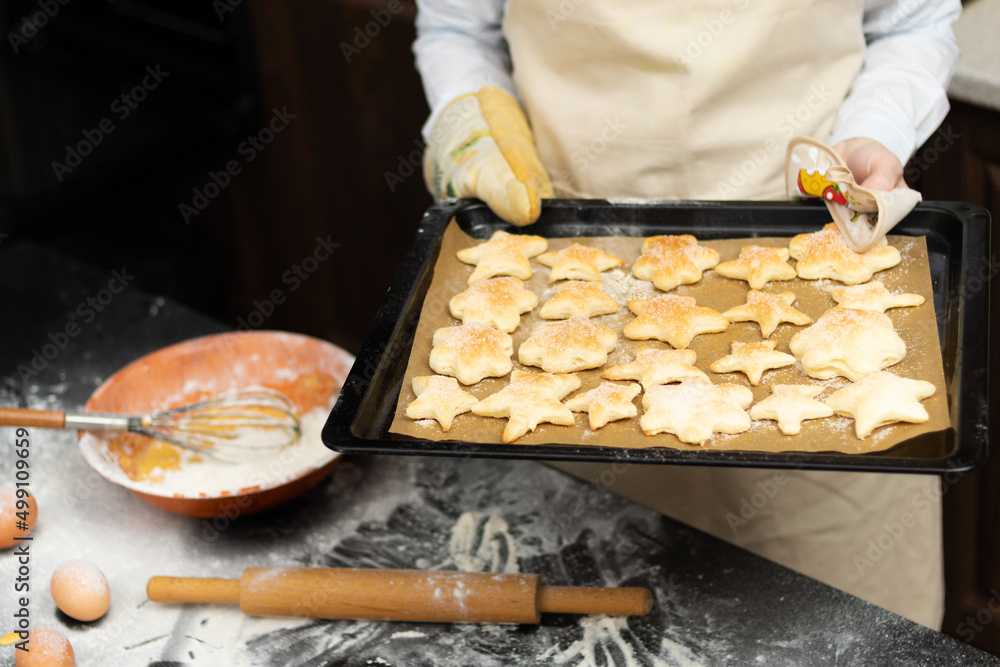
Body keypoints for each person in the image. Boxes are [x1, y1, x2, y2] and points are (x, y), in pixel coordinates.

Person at [412, 0, 961, 629]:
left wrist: (878, 128)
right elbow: (460, 27)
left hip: (817, 267)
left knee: (840, 635)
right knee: (602, 624)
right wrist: (472, 127)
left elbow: (910, 22)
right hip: (570, 287)